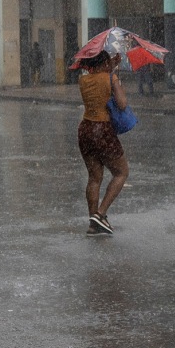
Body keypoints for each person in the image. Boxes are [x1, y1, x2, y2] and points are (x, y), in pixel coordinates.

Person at [76, 50, 129, 237]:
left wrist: (109, 66)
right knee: (121, 172)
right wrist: (115, 80)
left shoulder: (83, 80)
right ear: (105, 62)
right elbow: (122, 104)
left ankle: (93, 223)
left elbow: (99, 78)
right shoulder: (109, 78)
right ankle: (100, 213)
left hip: (85, 129)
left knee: (94, 177)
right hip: (102, 130)